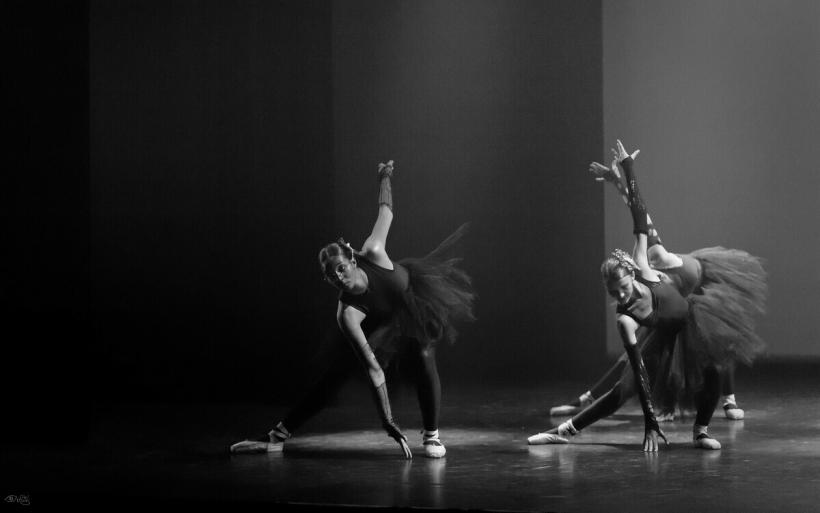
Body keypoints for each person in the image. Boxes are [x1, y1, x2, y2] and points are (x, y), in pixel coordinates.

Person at [529, 140, 766, 451]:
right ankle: (566, 430)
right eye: (614, 293)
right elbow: (640, 374)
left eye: (623, 288)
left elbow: (641, 217)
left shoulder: (646, 262)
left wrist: (628, 171)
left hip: (692, 323)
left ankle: (701, 430)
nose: (621, 296)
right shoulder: (625, 320)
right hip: (665, 340)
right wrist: (650, 422)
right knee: (621, 389)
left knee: (712, 373)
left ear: (632, 272)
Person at [230, 160, 475, 459]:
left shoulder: (373, 250)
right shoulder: (347, 313)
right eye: (331, 276)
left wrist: (385, 176)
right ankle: (277, 436)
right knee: (335, 375)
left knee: (424, 354)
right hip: (376, 326)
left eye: (341, 269)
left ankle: (431, 435)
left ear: (352, 261)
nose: (339, 278)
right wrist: (388, 423)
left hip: (410, 304)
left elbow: (386, 211)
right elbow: (374, 370)